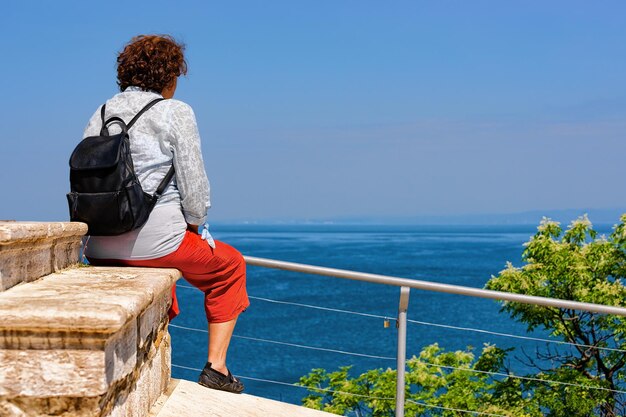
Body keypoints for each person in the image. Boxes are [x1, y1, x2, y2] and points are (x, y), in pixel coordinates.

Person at [83, 34, 249, 394]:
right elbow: (194, 189)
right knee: (230, 266)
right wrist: (193, 223)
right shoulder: (175, 111)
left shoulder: (100, 112)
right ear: (170, 76)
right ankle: (216, 368)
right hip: (156, 242)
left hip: (98, 245)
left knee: (162, 269)